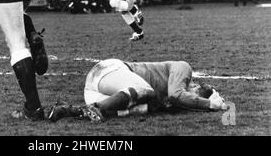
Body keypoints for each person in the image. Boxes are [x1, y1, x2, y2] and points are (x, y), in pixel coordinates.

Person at [48, 58, 227, 122]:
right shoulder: (183, 67)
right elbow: (177, 94)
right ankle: (95, 108)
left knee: (142, 109)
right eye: (194, 95)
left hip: (96, 92)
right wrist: (210, 104)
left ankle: (70, 110)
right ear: (194, 85)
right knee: (146, 91)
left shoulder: (169, 100)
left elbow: (175, 98)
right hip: (109, 70)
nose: (188, 98)